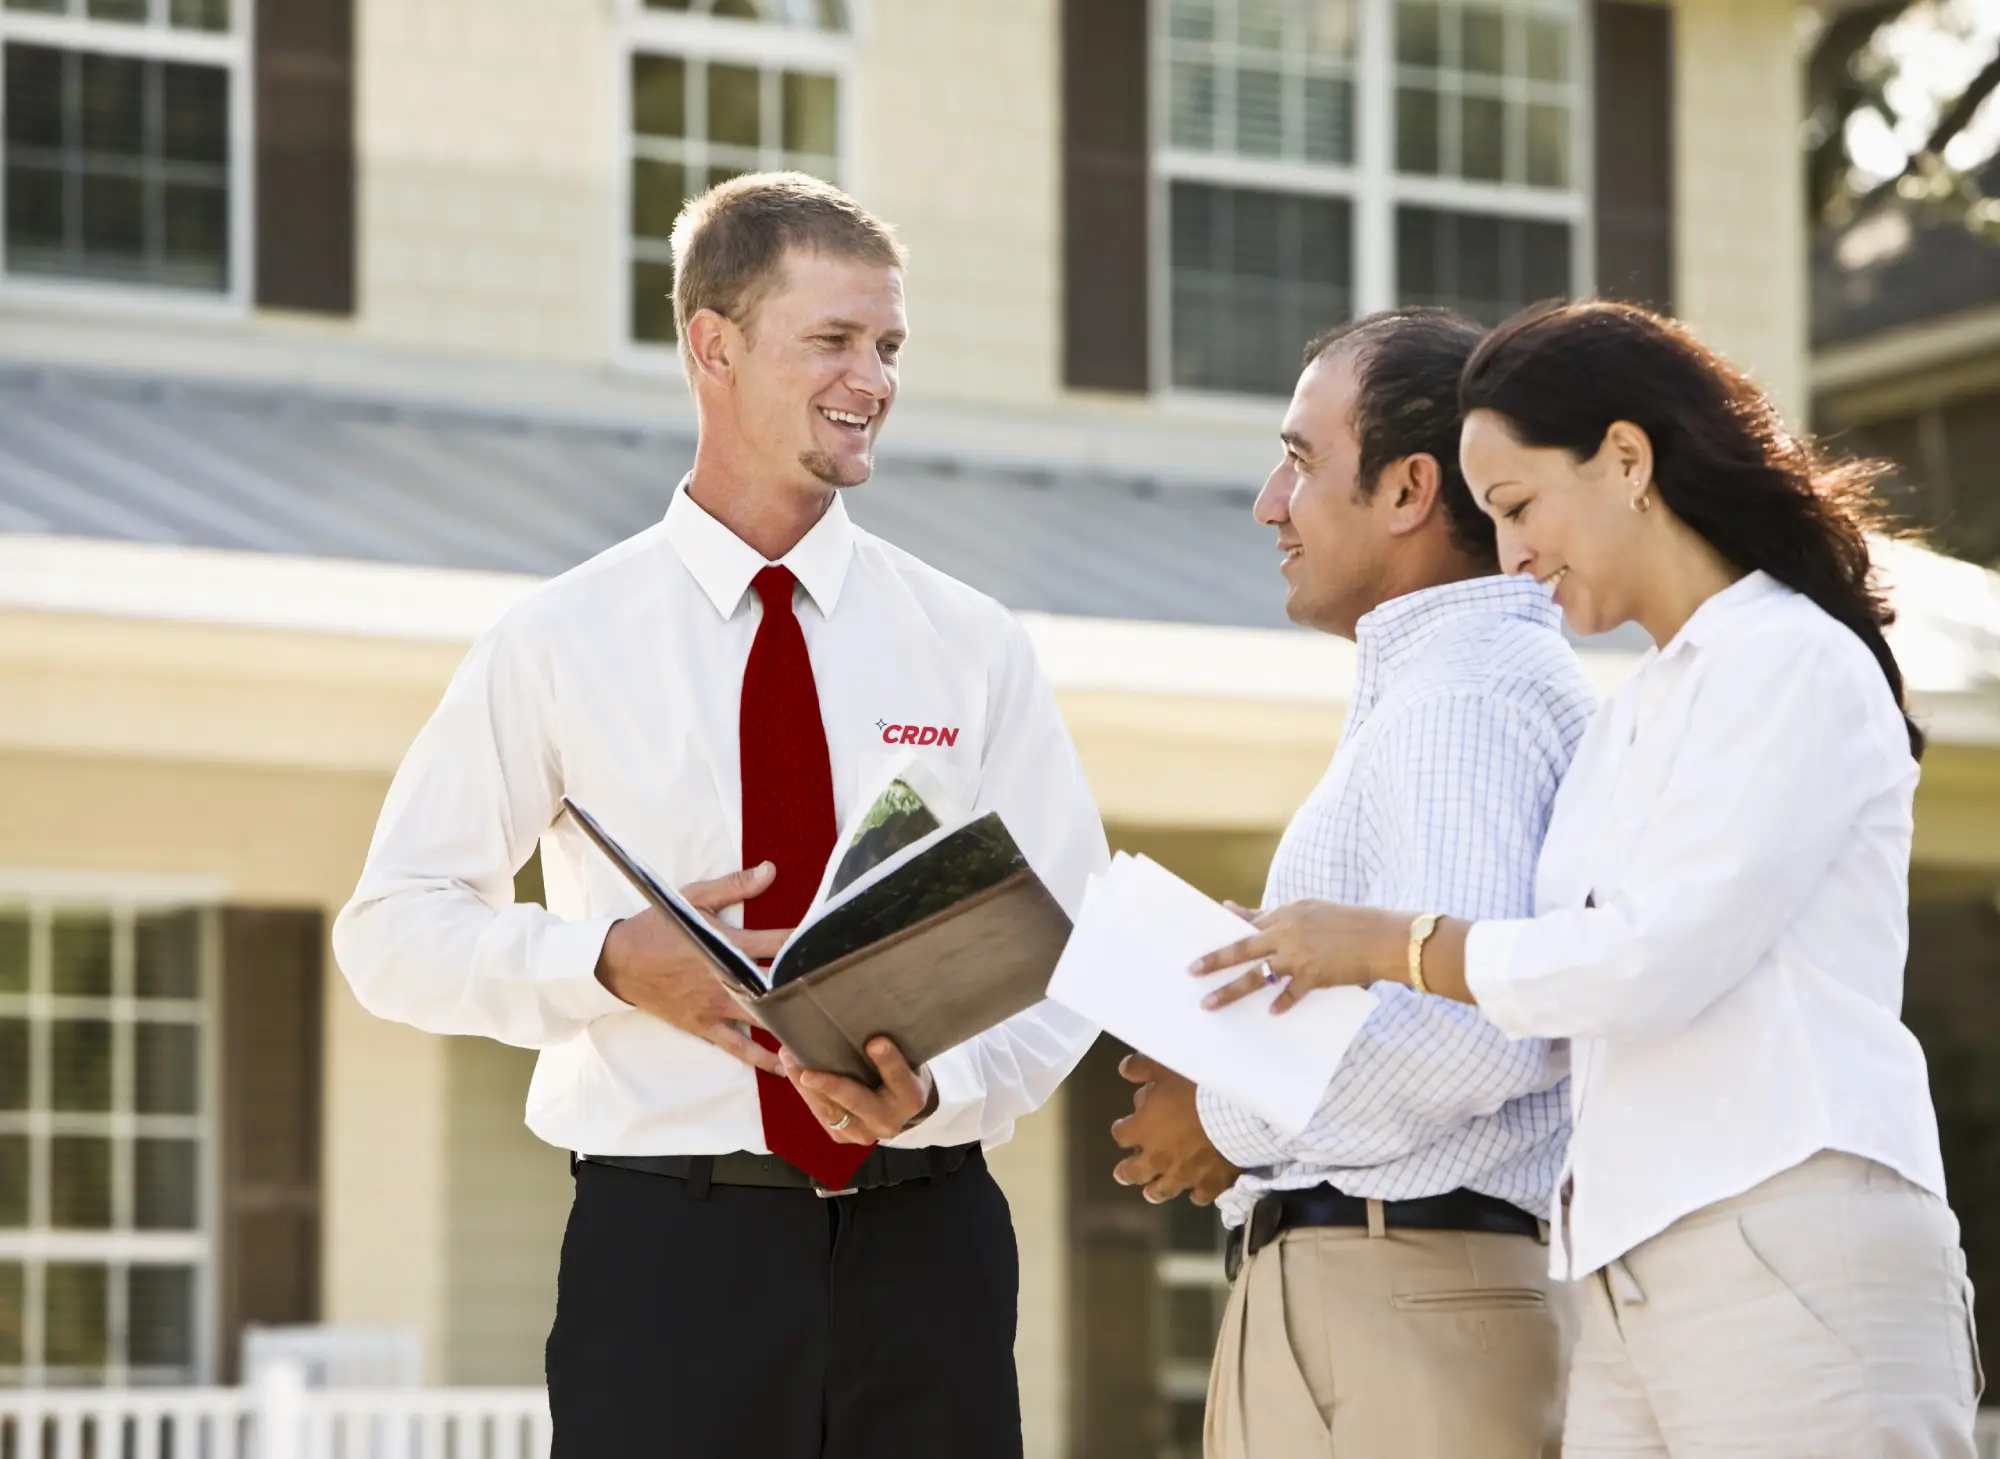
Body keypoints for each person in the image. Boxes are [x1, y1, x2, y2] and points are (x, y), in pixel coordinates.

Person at [331, 173, 1106, 1459]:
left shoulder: (968, 642)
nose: (874, 378)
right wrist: (602, 963)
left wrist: (934, 1088)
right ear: (714, 345)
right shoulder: (558, 642)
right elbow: (391, 929)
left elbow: (1069, 944)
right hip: (669, 1258)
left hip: (931, 1246)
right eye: (834, 341)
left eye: (889, 345)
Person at [1195, 300, 1981, 1457]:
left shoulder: (1790, 661)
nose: (1508, 554)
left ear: (1624, 459)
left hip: (1790, 1231)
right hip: (1623, 1265)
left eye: (1516, 507)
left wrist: (1385, 945)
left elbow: (1648, 961)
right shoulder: (1632, 713)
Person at [1110, 308, 1598, 1459]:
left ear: (1407, 489)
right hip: (1388, 1292)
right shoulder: (1440, 690)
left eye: (1296, 460)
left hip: (1401, 1294)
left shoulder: (1459, 702)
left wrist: (1222, 1116)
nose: (1266, 504)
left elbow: (1464, 1035)